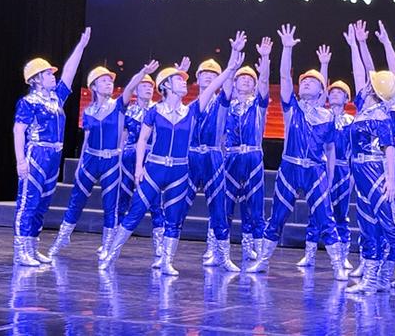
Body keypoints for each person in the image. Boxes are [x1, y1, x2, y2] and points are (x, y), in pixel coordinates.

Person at [100, 54, 243, 274]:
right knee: (135, 213)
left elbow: (213, 88)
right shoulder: (154, 111)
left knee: (174, 218)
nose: (184, 82)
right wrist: (138, 168)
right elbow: (142, 140)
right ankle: (110, 256)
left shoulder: (191, 110)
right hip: (155, 169)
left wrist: (230, 68)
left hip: (180, 171)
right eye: (178, 79)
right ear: (166, 85)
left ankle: (167, 262)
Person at [247, 24, 346, 281]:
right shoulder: (293, 109)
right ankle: (263, 260)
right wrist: (287, 48)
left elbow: (331, 150)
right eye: (303, 81)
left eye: (312, 82)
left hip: (315, 170)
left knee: (326, 218)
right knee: (277, 217)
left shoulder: (328, 117)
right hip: (290, 168)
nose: (306, 83)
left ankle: (338, 265)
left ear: (322, 90)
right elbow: (284, 77)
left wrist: (329, 178)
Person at [47, 60, 160, 260]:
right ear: (93, 86)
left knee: (111, 206)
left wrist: (143, 72)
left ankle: (107, 246)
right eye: (104, 80)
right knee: (76, 201)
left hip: (111, 162)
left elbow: (130, 87)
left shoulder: (119, 106)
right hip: (90, 160)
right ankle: (62, 238)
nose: (109, 83)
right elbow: (86, 140)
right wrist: (80, 164)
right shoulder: (88, 111)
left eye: (110, 81)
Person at [342, 23, 395, 301]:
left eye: (369, 83)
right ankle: (371, 280)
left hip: (376, 171)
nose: (364, 83)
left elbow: (389, 149)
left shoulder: (383, 115)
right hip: (360, 170)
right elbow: (360, 72)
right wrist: (355, 46)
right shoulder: (365, 109)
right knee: (367, 225)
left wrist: (389, 179)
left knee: (389, 223)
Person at [12, 28, 91, 266]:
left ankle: (33, 247)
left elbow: (69, 73)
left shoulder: (56, 98)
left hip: (54, 154)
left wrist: (81, 47)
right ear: (36, 79)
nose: (52, 76)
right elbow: (18, 131)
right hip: (36, 153)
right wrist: (21, 161)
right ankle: (21, 251)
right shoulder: (28, 102)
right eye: (47, 73)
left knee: (43, 204)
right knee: (28, 202)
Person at [185, 32, 246, 272]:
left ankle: (220, 254)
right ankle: (165, 256)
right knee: (179, 206)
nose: (209, 76)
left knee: (218, 208)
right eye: (205, 74)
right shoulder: (189, 106)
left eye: (213, 74)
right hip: (191, 157)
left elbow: (228, 83)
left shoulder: (222, 102)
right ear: (197, 78)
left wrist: (234, 55)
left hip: (213, 157)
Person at [297, 44, 354, 271]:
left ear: (347, 98)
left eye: (340, 92)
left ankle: (343, 255)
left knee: (340, 212)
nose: (335, 94)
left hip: (343, 170)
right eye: (332, 91)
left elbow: (353, 151)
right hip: (322, 167)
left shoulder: (351, 122)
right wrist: (324, 65)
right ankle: (309, 254)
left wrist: (351, 176)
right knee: (316, 210)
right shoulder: (323, 116)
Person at [224, 36, 272, 262]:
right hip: (231, 157)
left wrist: (265, 59)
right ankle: (218, 250)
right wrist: (234, 55)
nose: (245, 80)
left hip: (253, 156)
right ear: (234, 83)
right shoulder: (227, 106)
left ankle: (255, 250)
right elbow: (225, 83)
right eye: (240, 78)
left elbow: (265, 84)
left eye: (249, 78)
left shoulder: (259, 105)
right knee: (225, 204)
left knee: (254, 205)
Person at [116, 74, 166, 267]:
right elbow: (122, 136)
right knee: (122, 198)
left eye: (150, 86)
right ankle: (113, 242)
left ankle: (159, 245)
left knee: (155, 202)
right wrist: (118, 157)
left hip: (151, 159)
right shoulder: (129, 111)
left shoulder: (158, 110)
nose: (147, 88)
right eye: (143, 85)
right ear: (136, 89)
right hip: (129, 158)